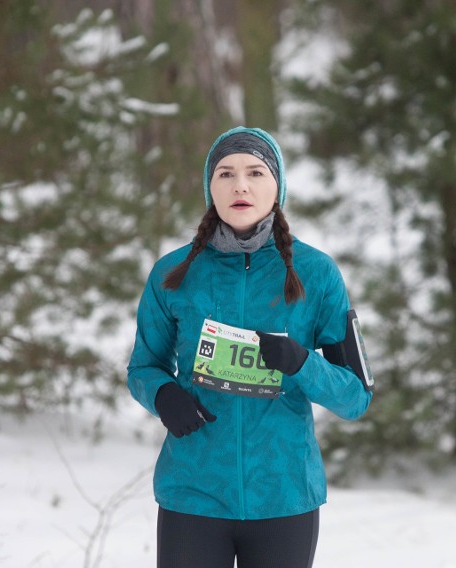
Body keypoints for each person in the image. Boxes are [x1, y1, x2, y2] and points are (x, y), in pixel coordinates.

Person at [127, 126, 373, 568]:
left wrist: (302, 364)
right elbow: (144, 367)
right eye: (225, 174)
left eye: (256, 172)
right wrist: (163, 395)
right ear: (210, 188)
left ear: (278, 186)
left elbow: (356, 396)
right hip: (193, 495)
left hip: (284, 496)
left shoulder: (316, 274)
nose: (240, 184)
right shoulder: (173, 273)